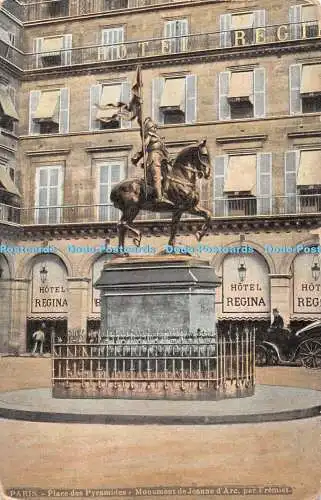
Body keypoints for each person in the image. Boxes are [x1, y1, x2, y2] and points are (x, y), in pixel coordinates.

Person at [131, 117, 172, 204]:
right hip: (153, 159)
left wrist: (170, 159)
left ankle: (165, 194)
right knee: (157, 177)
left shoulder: (159, 139)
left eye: (156, 127)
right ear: (150, 128)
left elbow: (164, 150)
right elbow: (144, 146)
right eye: (153, 127)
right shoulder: (150, 135)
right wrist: (137, 156)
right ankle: (159, 198)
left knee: (168, 176)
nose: (155, 129)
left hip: (162, 160)